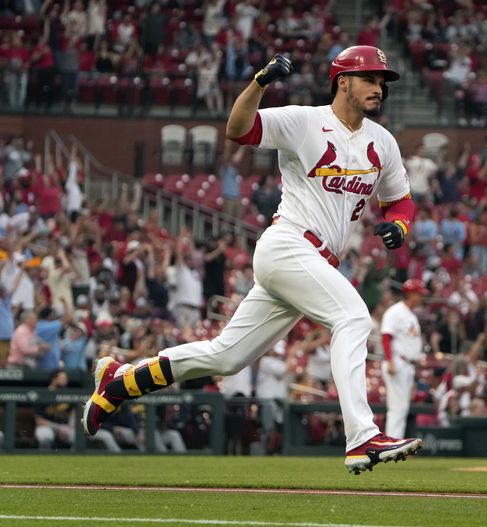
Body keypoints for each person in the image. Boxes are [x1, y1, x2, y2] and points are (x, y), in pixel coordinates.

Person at [82, 45, 422, 474]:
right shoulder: (304, 120)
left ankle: (121, 381)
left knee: (225, 357)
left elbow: (401, 201)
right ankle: (362, 437)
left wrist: (400, 225)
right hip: (289, 245)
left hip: (314, 262)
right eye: (370, 78)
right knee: (353, 318)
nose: (379, 87)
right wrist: (259, 82)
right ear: (342, 81)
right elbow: (239, 130)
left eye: (382, 81)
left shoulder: (382, 142)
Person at [381, 278, 427, 439]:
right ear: (411, 294)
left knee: (402, 407)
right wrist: (390, 362)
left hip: (407, 365)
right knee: (397, 407)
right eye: (419, 293)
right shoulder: (395, 312)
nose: (421, 297)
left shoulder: (410, 315)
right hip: (397, 362)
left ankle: (395, 442)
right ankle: (392, 443)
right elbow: (386, 337)